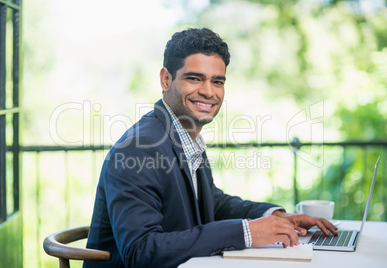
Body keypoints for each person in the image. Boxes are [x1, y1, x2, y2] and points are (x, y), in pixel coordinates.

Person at [84, 28, 337, 268]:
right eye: (194, 78)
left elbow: (211, 203)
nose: (208, 92)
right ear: (165, 79)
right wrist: (247, 232)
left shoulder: (188, 138)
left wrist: (275, 216)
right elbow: (141, 251)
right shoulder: (138, 149)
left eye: (217, 81)